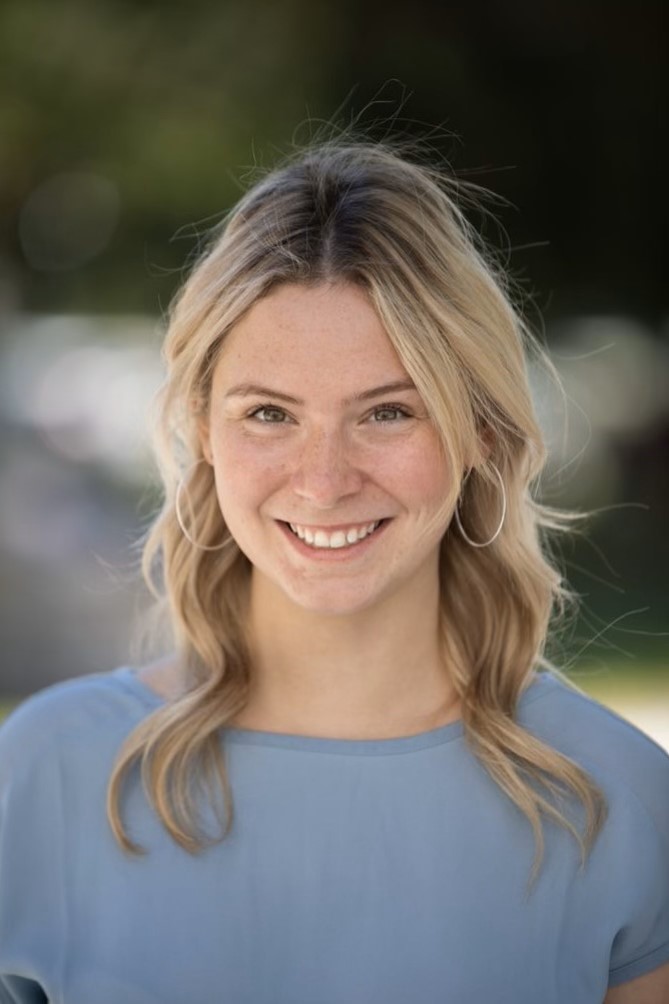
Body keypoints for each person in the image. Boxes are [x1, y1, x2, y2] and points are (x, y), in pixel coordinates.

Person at [0, 138, 667, 1004]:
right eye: (269, 413)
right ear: (203, 429)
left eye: (388, 411)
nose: (322, 481)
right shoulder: (46, 775)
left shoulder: (614, 799)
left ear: (483, 434)